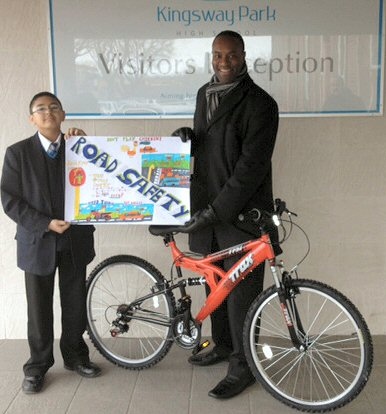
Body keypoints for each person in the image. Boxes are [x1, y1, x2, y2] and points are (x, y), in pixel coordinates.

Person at [172, 31, 279, 399]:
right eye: (217, 55)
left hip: (239, 216)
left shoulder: (262, 104)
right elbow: (209, 145)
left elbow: (250, 168)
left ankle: (244, 365)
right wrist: (188, 137)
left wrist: (217, 211)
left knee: (242, 295)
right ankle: (220, 344)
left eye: (231, 55)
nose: (223, 62)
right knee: (214, 285)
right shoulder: (205, 94)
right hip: (206, 210)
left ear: (244, 56)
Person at [0, 91, 101, 394]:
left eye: (53, 107)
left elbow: (100, 184)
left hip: (75, 240)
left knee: (74, 306)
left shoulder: (79, 148)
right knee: (39, 310)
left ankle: (75, 357)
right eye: (40, 109)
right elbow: (9, 200)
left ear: (63, 114)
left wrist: (88, 148)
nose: (48, 112)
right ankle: (38, 365)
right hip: (37, 242)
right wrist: (44, 223)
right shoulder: (17, 153)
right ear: (32, 118)